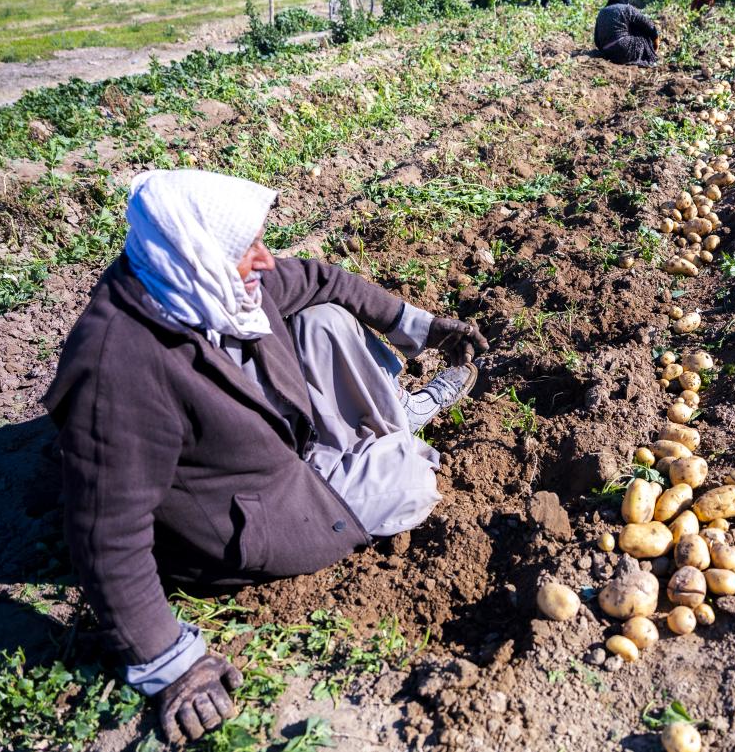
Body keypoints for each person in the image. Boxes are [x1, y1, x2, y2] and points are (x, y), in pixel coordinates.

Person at [41, 169, 488, 744]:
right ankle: (384, 441)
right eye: (245, 249)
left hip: (264, 438)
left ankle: (391, 418)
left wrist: (416, 325)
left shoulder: (195, 281)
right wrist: (169, 662)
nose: (265, 259)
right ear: (199, 253)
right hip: (242, 512)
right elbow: (106, 535)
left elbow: (320, 277)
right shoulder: (119, 370)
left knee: (323, 320)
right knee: (409, 480)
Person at [593, 0, 659, 68]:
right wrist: (656, 41)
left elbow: (596, 40)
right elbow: (648, 25)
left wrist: (605, 49)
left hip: (607, 53)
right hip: (623, 50)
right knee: (642, 33)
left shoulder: (602, 12)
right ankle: (649, 58)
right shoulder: (626, 8)